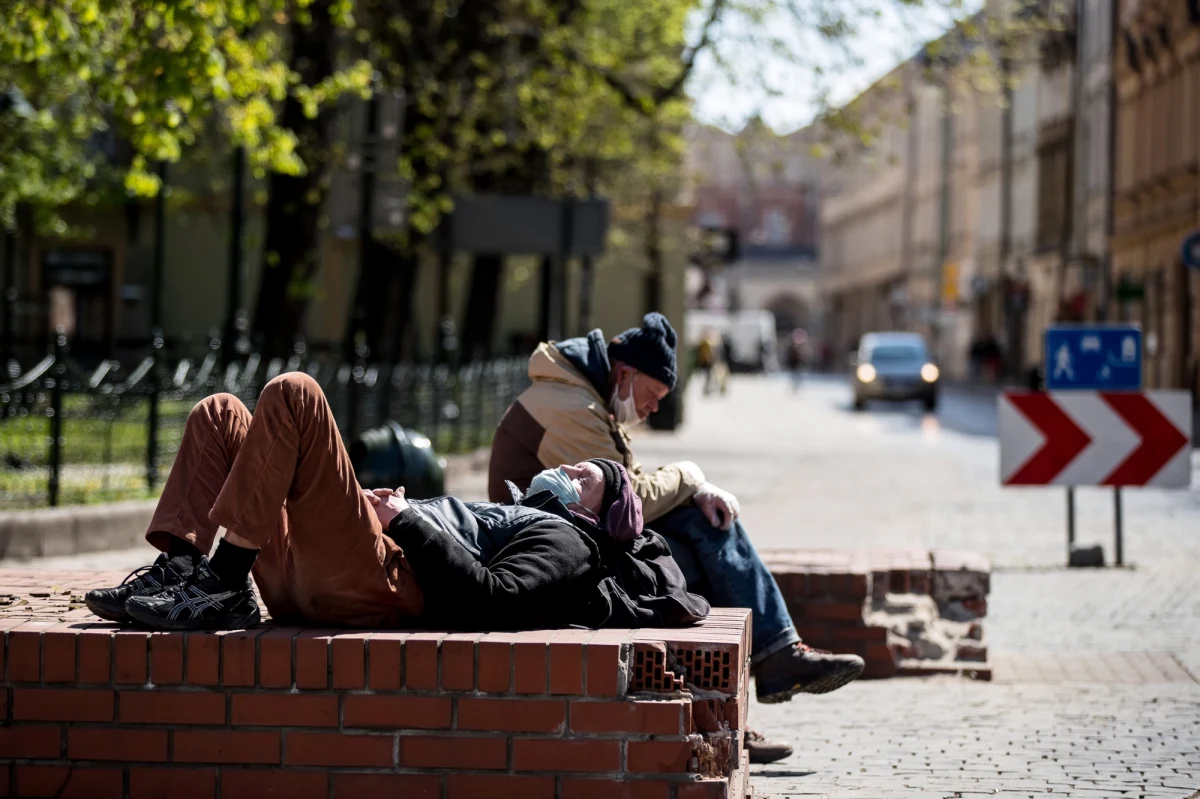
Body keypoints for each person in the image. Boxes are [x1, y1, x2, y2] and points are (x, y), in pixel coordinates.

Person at [487, 312, 865, 765]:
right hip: (551, 560)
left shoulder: (582, 397)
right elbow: (627, 501)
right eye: (652, 395)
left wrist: (695, 493)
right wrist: (691, 475)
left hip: (573, 543)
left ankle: (744, 694)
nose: (652, 409)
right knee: (695, 558)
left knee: (700, 533)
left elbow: (624, 493)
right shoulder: (570, 409)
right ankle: (753, 683)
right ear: (625, 375)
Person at [85, 373, 707, 633]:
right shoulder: (517, 513)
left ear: (596, 513)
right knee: (220, 412)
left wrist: (406, 521)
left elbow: (493, 598)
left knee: (296, 394)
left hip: (378, 583)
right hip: (335, 569)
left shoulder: (571, 540)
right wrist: (400, 509)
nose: (566, 470)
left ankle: (221, 582)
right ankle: (188, 571)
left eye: (585, 477)